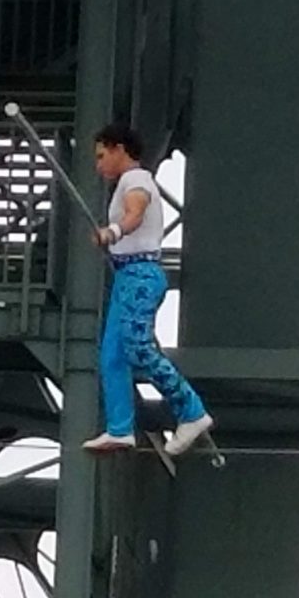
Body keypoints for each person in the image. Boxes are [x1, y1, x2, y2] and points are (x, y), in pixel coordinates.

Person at [81, 123, 214, 456]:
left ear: (119, 149)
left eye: (101, 156)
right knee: (112, 355)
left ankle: (191, 411)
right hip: (128, 275)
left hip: (139, 274)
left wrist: (112, 232)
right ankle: (120, 429)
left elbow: (135, 213)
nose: (98, 165)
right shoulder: (130, 181)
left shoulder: (136, 179)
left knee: (138, 348)